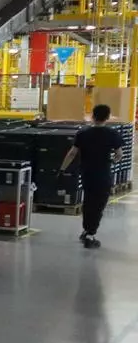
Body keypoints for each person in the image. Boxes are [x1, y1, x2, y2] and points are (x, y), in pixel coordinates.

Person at [59, 103, 124, 248]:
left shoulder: (83, 133)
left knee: (88, 202)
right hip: (103, 174)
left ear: (93, 116)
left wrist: (62, 169)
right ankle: (90, 234)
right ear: (107, 117)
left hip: (87, 173)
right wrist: (113, 161)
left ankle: (86, 230)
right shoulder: (112, 134)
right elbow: (119, 154)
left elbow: (72, 153)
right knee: (99, 204)